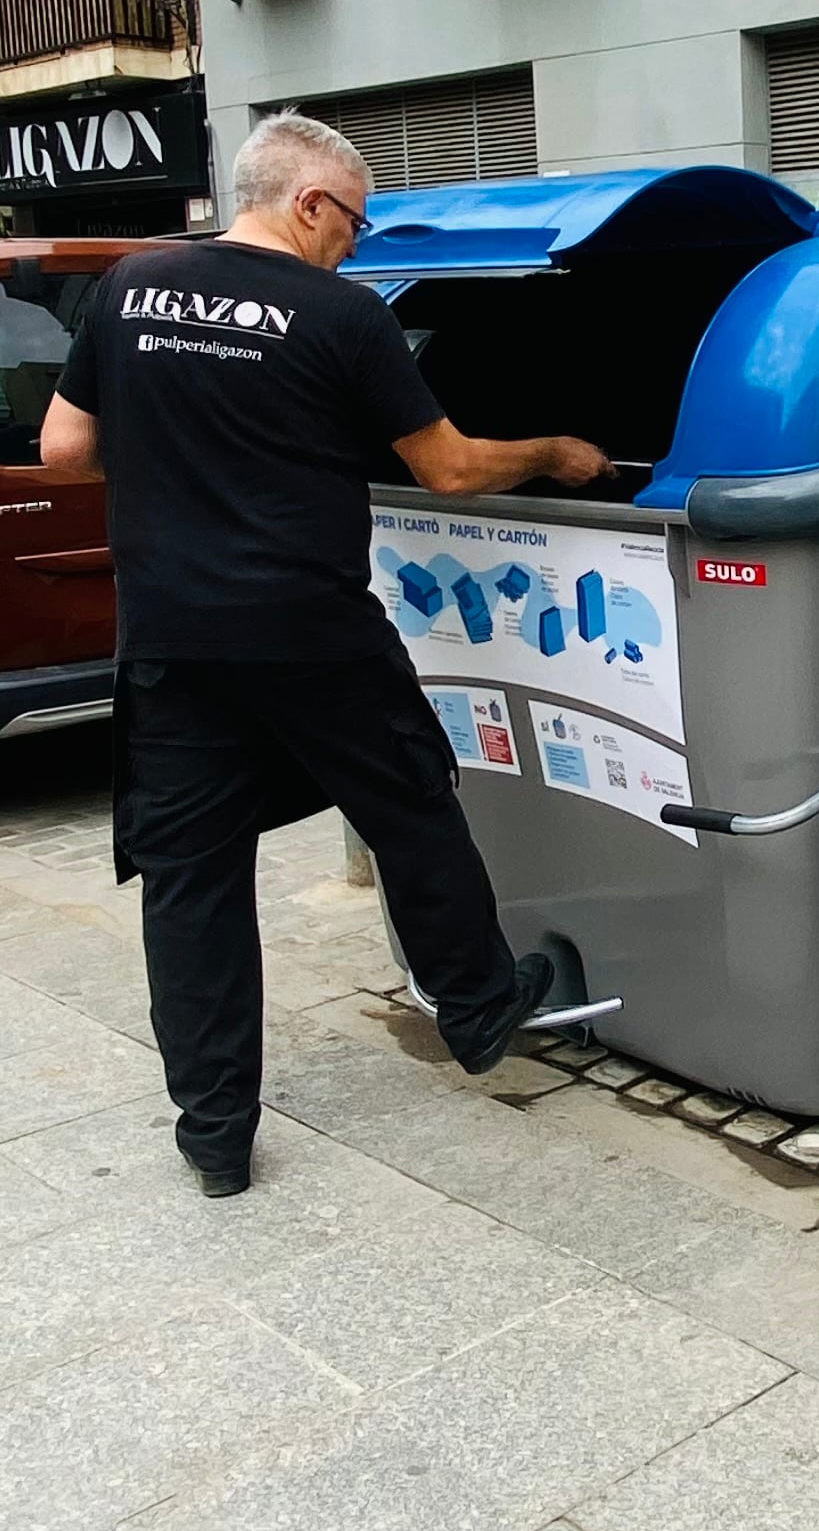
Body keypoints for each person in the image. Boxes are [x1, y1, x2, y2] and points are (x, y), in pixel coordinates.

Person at [40, 112, 612, 1197]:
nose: (359, 243)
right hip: (308, 629)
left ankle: (214, 1135)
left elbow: (64, 447)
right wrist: (549, 450)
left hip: (172, 638)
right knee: (410, 795)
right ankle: (480, 1003)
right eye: (356, 220)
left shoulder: (130, 285)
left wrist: (175, 449)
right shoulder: (341, 317)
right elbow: (446, 471)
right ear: (308, 203)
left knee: (191, 882)